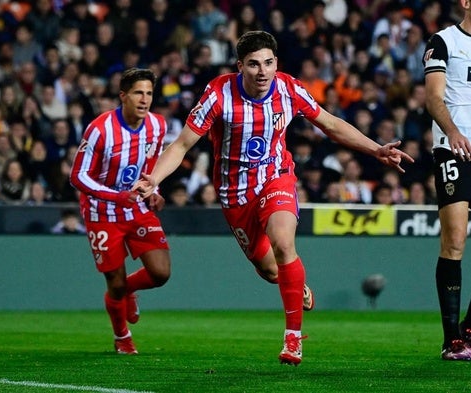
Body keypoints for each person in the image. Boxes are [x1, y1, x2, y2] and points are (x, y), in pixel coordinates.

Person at [134, 31, 413, 366]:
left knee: (283, 243)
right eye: (253, 64)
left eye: (268, 62)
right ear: (240, 66)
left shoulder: (289, 88)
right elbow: (181, 145)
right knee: (269, 269)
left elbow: (330, 123)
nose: (262, 71)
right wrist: (154, 178)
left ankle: (293, 339)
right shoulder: (218, 95)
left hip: (275, 177)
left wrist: (375, 149)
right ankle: (296, 284)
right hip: (235, 195)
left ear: (276, 63)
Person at [69, 68, 171, 355]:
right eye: (139, 92)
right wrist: (116, 196)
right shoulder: (100, 129)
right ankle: (122, 337)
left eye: (149, 93)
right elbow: (78, 176)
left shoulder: (157, 126)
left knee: (161, 273)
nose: (145, 99)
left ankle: (128, 291)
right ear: (123, 96)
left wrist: (155, 191)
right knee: (114, 283)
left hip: (136, 206)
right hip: (102, 213)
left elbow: (151, 164)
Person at [423, 0, 471, 361]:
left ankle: (469, 329)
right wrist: (452, 131)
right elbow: (433, 97)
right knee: (454, 239)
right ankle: (452, 337)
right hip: (453, 147)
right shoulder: (443, 41)